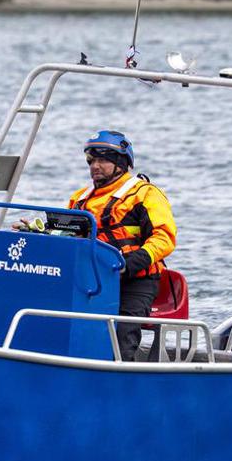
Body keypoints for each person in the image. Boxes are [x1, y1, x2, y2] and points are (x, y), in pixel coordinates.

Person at [66, 130, 177, 359]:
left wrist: (130, 263)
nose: (95, 166)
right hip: (91, 280)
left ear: (121, 163)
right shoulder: (79, 199)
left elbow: (164, 238)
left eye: (102, 160)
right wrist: (35, 230)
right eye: (91, 161)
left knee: (122, 338)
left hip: (136, 281)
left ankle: (121, 372)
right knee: (75, 331)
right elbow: (65, 234)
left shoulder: (145, 194)